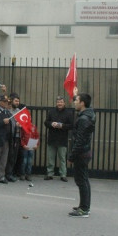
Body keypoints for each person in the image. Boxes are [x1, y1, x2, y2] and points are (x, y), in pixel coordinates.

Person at [68, 89, 95, 218]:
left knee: (81, 180)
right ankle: (84, 206)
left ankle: (84, 209)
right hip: (85, 152)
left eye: (77, 100)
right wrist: (75, 93)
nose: (74, 102)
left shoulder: (84, 119)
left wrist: (72, 156)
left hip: (81, 153)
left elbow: (80, 140)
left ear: (82, 103)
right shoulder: (88, 114)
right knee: (84, 180)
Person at [44, 96, 74, 181]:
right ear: (56, 103)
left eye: (61, 102)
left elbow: (72, 125)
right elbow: (46, 122)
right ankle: (49, 174)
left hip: (62, 139)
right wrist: (51, 124)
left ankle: (63, 175)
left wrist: (62, 126)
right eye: (58, 102)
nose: (59, 103)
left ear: (64, 103)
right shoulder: (51, 111)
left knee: (62, 159)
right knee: (50, 158)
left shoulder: (68, 113)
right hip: (52, 138)